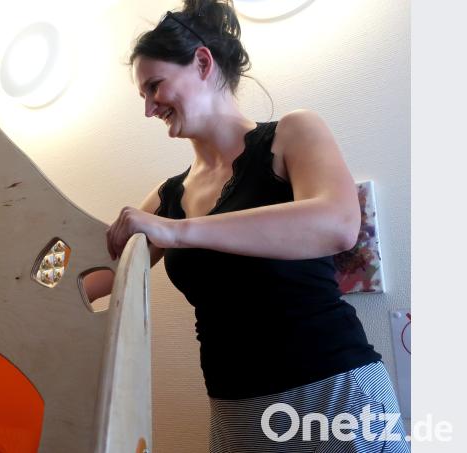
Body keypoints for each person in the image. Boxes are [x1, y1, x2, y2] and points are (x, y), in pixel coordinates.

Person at [103, 1, 409, 451]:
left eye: (155, 86)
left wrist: (177, 231)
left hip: (334, 396)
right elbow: (98, 277)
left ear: (202, 62)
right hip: (235, 410)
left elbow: (338, 224)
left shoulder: (293, 133)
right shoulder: (167, 196)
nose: (149, 108)